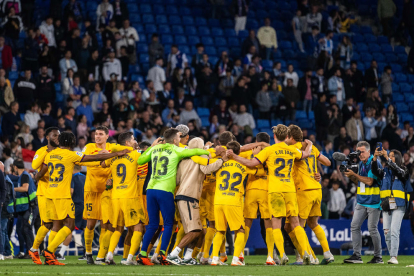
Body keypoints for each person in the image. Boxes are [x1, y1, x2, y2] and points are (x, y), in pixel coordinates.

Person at [34, 131, 130, 265]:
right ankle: (50, 251)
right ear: (71, 143)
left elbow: (41, 171)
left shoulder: (49, 155)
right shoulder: (71, 155)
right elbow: (92, 158)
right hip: (63, 195)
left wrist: (37, 178)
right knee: (70, 225)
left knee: (56, 225)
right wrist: (115, 154)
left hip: (49, 194)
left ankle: (49, 255)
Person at [226, 125, 313, 265]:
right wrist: (310, 145)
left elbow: (251, 162)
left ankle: (282, 254)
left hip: (274, 190)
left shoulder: (269, 150)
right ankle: (305, 253)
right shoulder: (292, 149)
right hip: (289, 189)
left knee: (275, 224)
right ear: (286, 137)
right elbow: (306, 154)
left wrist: (234, 156)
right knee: (296, 223)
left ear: (274, 136)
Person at [137, 128, 211, 265]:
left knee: (152, 224)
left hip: (150, 189)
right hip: (165, 191)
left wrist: (151, 147)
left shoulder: (155, 149)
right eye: (179, 136)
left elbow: (140, 160)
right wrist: (207, 150)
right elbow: (194, 151)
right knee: (169, 224)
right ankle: (163, 255)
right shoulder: (177, 150)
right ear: (175, 140)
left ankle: (142, 255)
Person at [167, 138, 225, 265]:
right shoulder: (200, 155)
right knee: (195, 231)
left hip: (183, 195)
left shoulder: (183, 159)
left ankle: (188, 257)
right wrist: (221, 160)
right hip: (189, 196)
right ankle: (173, 254)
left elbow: (177, 180)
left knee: (199, 231)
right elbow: (207, 169)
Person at [284, 125, 335, 264]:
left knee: (297, 225)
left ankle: (305, 257)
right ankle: (327, 253)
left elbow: (300, 158)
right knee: (313, 223)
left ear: (291, 137)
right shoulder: (311, 147)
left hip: (303, 190)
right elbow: (328, 162)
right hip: (316, 189)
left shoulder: (293, 149)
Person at [209, 141, 265, 266]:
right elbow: (260, 172)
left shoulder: (218, 163)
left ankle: (214, 258)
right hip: (232, 201)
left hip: (218, 201)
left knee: (220, 231)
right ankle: (236, 259)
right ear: (239, 152)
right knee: (240, 231)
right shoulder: (243, 165)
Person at [101, 132, 147, 265]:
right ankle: (129, 258)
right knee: (138, 227)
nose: (134, 141)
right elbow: (147, 155)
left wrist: (115, 151)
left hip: (116, 197)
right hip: (130, 197)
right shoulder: (135, 154)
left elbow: (103, 164)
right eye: (132, 139)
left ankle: (109, 256)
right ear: (127, 143)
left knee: (118, 229)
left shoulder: (114, 156)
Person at [343, 141, 383, 264]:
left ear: (369, 151)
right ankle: (357, 255)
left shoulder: (374, 163)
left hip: (373, 201)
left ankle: (378, 257)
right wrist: (351, 176)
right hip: (361, 201)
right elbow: (360, 182)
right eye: (358, 152)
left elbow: (370, 181)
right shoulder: (362, 163)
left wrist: (354, 174)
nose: (360, 154)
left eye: (362, 152)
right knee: (354, 226)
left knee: (372, 229)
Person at [372, 148, 412, 264]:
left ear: (398, 158)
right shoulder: (385, 171)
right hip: (386, 205)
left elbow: (399, 172)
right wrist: (375, 158)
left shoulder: (404, 170)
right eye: (390, 156)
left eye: (393, 156)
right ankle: (391, 256)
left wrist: (387, 159)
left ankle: (394, 257)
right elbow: (375, 171)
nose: (390, 157)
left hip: (399, 204)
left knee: (394, 231)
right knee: (387, 232)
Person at [13, 159, 37, 259]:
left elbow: (25, 188)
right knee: (22, 229)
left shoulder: (25, 176)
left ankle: (32, 252)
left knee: (27, 228)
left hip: (31, 207)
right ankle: (28, 251)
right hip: (24, 208)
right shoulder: (22, 176)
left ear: (15, 167)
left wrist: (12, 188)